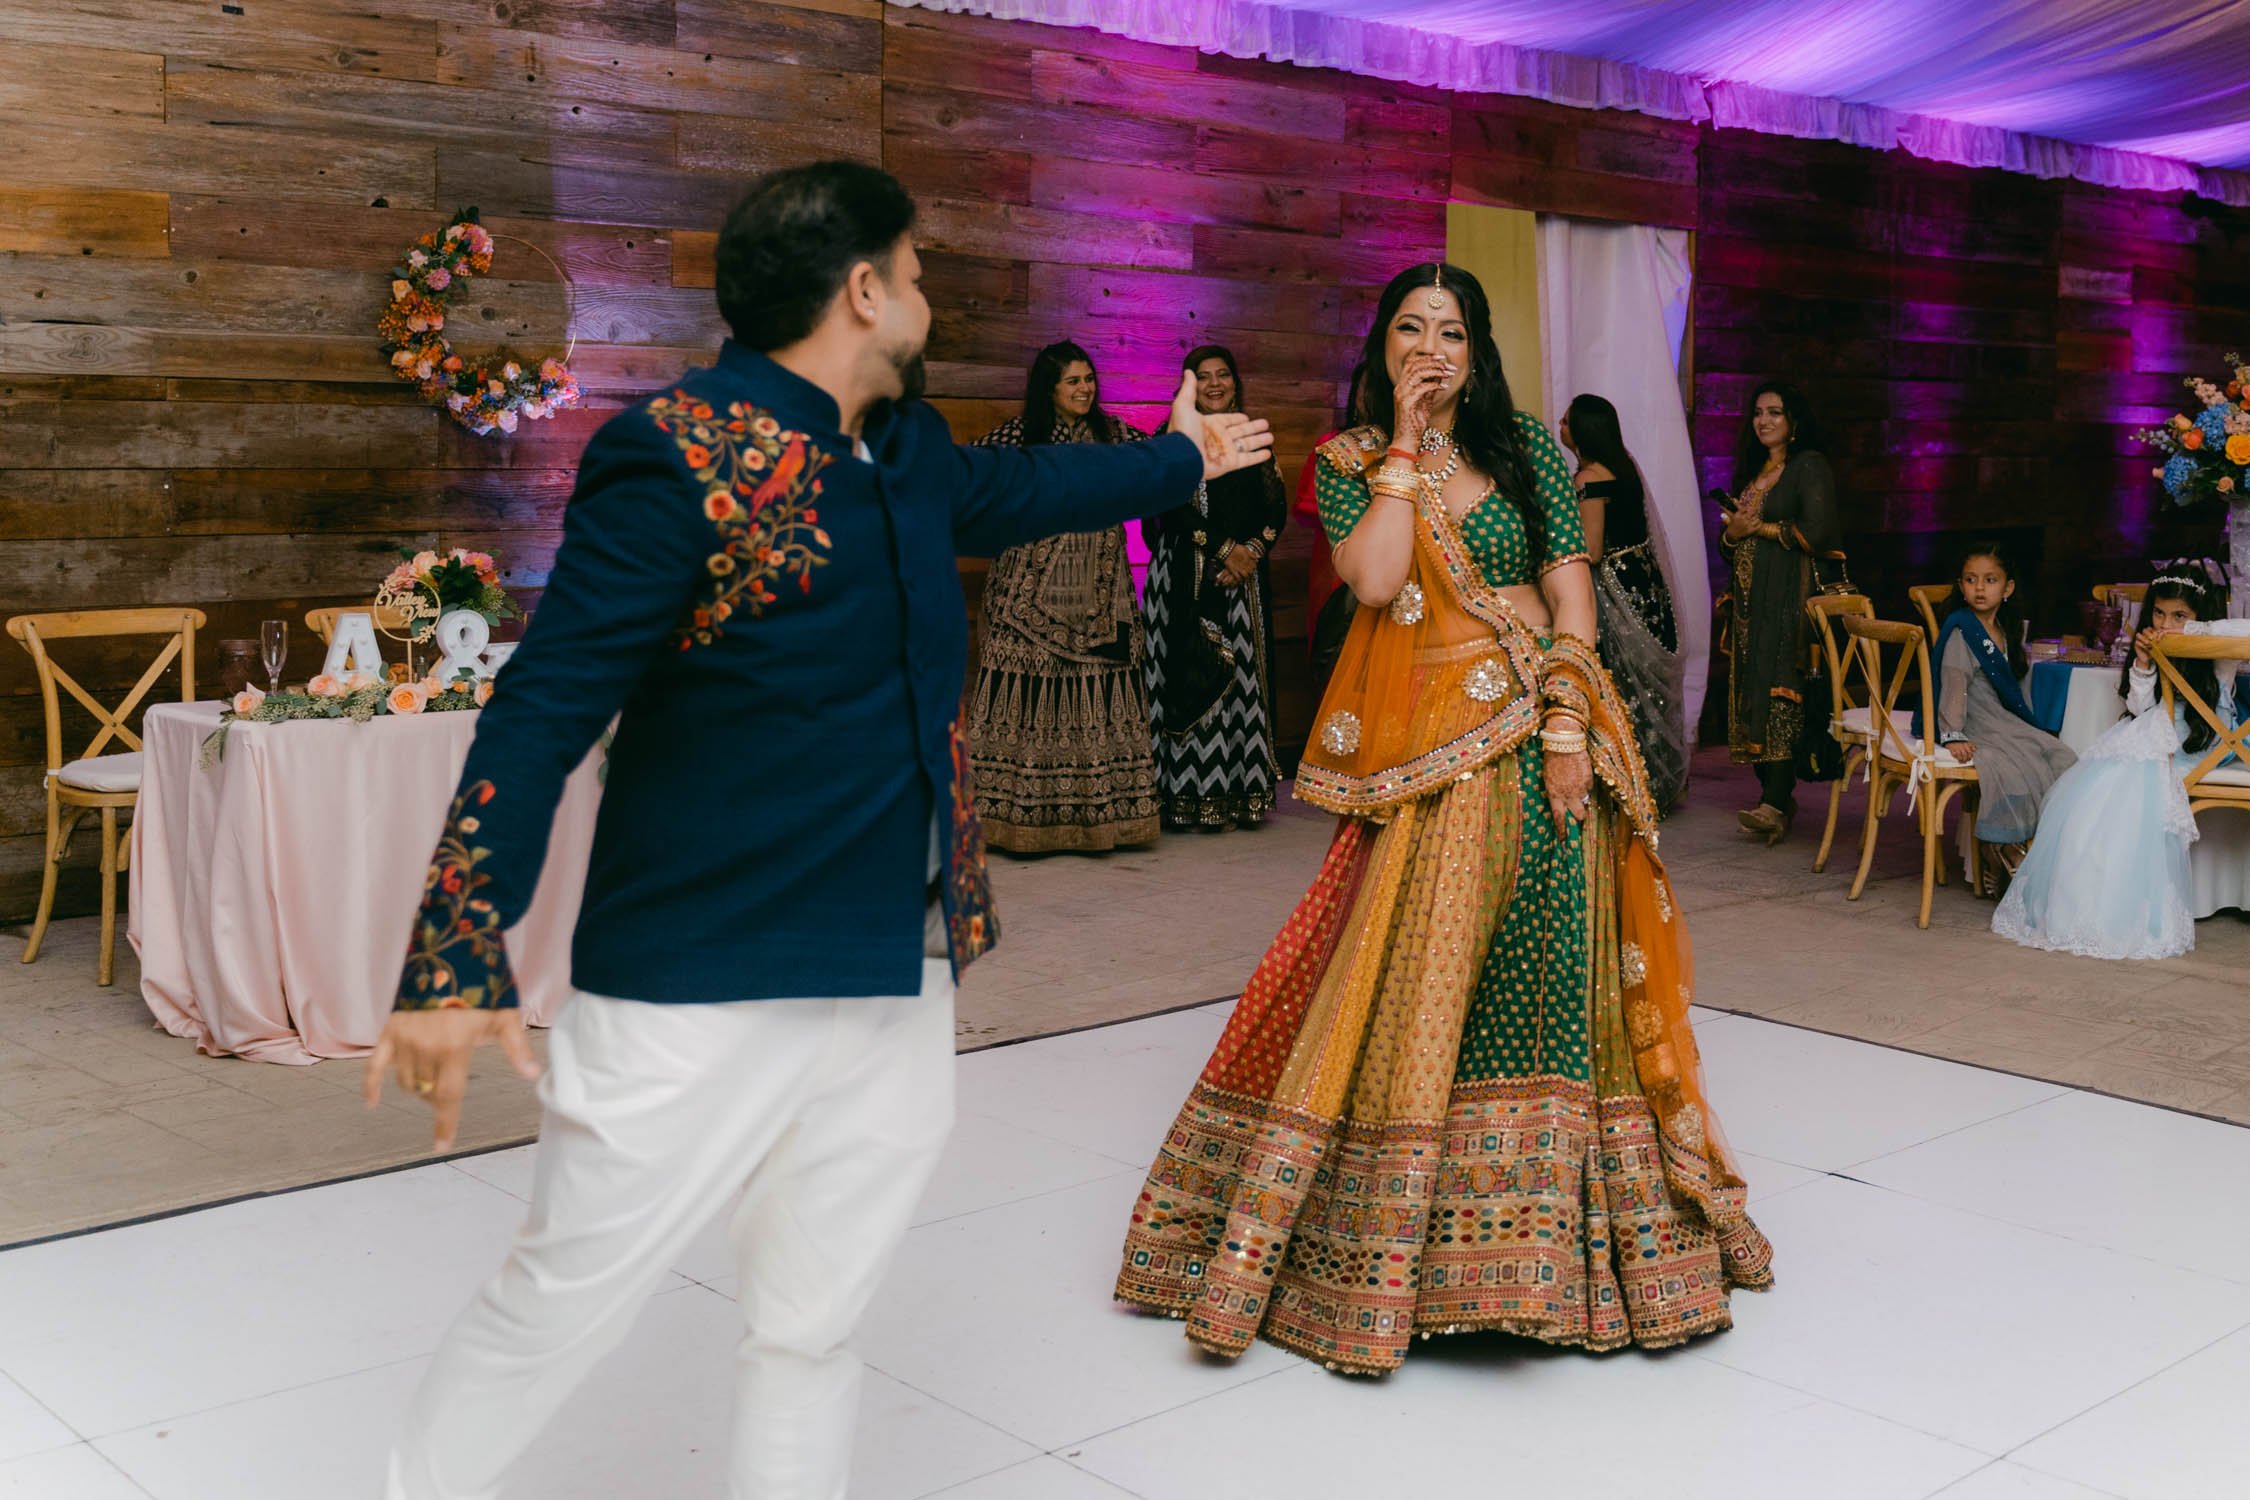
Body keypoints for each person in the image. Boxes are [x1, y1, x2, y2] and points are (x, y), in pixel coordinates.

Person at [362, 161, 1272, 1500]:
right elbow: (545, 705)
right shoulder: (669, 453)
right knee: (561, 1300)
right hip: (696, 981)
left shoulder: (902, 448)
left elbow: (1026, 496)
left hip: (890, 971)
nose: (924, 297)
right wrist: (453, 952)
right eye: (910, 274)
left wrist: (1183, 453)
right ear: (861, 289)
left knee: (812, 1326)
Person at [1114, 262, 1773, 1377]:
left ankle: (1538, 1253)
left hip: (1545, 732)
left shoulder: (1530, 454)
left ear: (1478, 352)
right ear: (1382, 348)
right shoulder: (1353, 460)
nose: (1432, 348)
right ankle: (1399, 1248)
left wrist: (1566, 718)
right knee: (1418, 979)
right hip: (1425, 766)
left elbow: (1571, 596)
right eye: (1412, 330)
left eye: (1453, 333)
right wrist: (1408, 452)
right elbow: (1372, 583)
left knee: (1554, 975)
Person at [965, 341, 1161, 852]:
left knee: (1094, 697)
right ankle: (1015, 822)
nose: (1085, 389)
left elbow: (1158, 459)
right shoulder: (1021, 436)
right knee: (1031, 701)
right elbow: (973, 476)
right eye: (1073, 381)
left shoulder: (1111, 434)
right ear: (1049, 389)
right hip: (1028, 600)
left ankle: (1099, 819)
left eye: (1089, 379)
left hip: (1101, 598)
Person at [1995, 572, 2249, 959]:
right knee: (2104, 780)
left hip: (2208, 739)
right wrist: (2145, 663)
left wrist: (2195, 632)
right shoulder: (2153, 646)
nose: (2166, 624)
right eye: (2160, 614)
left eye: (2179, 615)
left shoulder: (2218, 652)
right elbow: (2137, 707)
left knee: (2133, 768)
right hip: (2160, 730)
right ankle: (2087, 903)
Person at [1142, 345, 1288, 829]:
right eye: (1203, 377)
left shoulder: (1246, 432)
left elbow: (1275, 508)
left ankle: (1239, 791)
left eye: (1223, 375)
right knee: (1186, 672)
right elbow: (1170, 503)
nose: (1215, 384)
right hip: (1183, 574)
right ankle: (1186, 794)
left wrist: (1252, 552)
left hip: (1242, 581)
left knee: (1240, 680)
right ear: (1189, 385)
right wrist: (1226, 549)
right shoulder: (1173, 436)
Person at [1719, 381, 1840, 844]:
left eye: (1775, 412)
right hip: (1750, 606)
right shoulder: (1753, 472)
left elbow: (1819, 529)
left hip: (1789, 599)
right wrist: (1734, 535)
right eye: (1758, 413)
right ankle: (1774, 798)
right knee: (1754, 691)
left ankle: (1774, 799)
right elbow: (1731, 542)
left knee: (1780, 691)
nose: (1764, 420)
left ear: (1794, 423)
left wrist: (1759, 527)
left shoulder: (1807, 466)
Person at [1560, 392, 1688, 811]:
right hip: (1644, 581)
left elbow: (1593, 550)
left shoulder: (1590, 478)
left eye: (1566, 421)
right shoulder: (1624, 468)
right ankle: (1655, 776)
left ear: (1582, 431)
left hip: (1616, 588)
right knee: (1644, 684)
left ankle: (1627, 782)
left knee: (1618, 679)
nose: (1560, 425)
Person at [1928, 544, 2076, 875]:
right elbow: (1954, 681)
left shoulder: (2004, 629)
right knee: (2012, 760)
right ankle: (2006, 847)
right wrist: (1953, 734)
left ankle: (2041, 848)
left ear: (2007, 588)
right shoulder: (1961, 629)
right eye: (1971, 579)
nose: (1980, 588)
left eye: (1990, 580)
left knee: (2059, 755)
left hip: (1999, 715)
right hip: (1973, 718)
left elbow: (2012, 686)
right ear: (1961, 585)